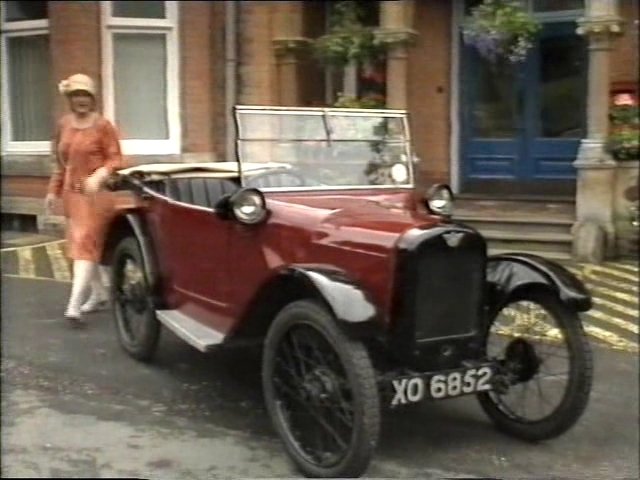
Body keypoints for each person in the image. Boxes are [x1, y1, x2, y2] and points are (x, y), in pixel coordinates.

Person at [44, 73, 125, 328]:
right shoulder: (64, 125)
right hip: (72, 195)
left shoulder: (103, 126)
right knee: (81, 246)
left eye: (85, 95)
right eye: (76, 95)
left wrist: (99, 174)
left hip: (96, 196)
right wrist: (52, 191)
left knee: (84, 246)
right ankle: (100, 294)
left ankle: (73, 305)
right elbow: (60, 161)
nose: (81, 100)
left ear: (93, 99)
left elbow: (116, 159)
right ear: (69, 99)